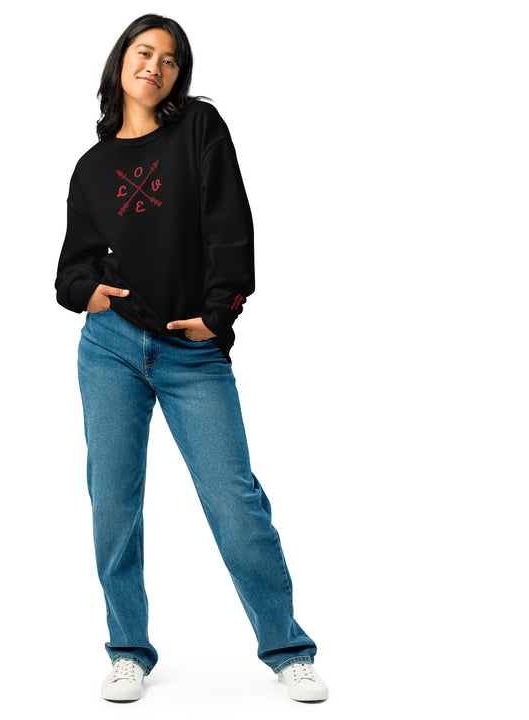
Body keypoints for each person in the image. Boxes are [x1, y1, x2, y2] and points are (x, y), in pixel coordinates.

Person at [54, 13, 328, 703]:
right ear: (121, 61)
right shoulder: (91, 168)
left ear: (180, 75)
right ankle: (127, 650)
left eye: (171, 59)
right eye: (145, 51)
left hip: (192, 353)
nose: (156, 65)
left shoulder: (199, 128)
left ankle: (288, 650)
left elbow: (230, 225)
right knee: (113, 504)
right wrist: (89, 294)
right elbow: (70, 270)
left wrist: (219, 313)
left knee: (235, 503)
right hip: (110, 349)